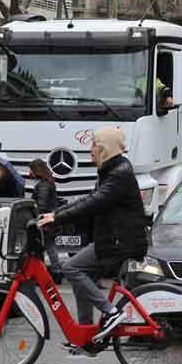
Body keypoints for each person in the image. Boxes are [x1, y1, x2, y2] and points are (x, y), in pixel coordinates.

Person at [37, 127, 148, 346]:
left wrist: (57, 219)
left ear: (104, 148)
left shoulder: (119, 174)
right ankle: (86, 334)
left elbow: (95, 203)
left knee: (72, 268)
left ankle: (111, 312)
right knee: (81, 272)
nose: (90, 150)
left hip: (119, 242)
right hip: (114, 239)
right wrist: (55, 214)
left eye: (94, 144)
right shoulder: (113, 170)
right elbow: (89, 199)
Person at [29, 159, 60, 265]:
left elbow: (41, 204)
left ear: (36, 170)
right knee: (50, 247)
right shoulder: (48, 182)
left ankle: (54, 271)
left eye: (31, 170)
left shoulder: (43, 185)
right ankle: (55, 271)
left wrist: (36, 216)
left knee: (48, 247)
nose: (30, 173)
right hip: (49, 220)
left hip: (44, 220)